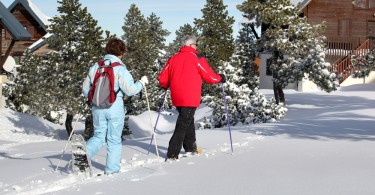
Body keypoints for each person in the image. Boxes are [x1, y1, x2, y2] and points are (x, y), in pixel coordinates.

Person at [82, 37, 148, 174]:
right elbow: (130, 90)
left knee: (99, 136)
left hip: (97, 107)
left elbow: (85, 89)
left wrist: (93, 98)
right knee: (114, 139)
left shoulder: (96, 66)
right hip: (114, 107)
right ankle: (112, 170)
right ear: (121, 52)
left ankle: (84, 153)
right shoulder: (120, 69)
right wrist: (141, 83)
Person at [158, 35, 225, 160]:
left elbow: (162, 78)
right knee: (183, 123)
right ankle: (172, 153)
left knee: (187, 120)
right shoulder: (197, 58)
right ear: (189, 45)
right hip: (190, 96)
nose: (196, 46)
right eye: (195, 44)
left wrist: (166, 84)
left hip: (177, 96)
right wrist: (220, 78)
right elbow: (209, 76)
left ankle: (190, 148)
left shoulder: (173, 58)